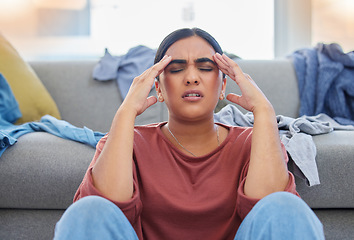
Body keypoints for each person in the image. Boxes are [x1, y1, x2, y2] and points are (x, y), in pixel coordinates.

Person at [54, 28, 325, 240]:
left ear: (223, 86)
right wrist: (125, 113)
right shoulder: (127, 142)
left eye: (206, 68)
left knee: (285, 209)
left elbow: (272, 214)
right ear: (158, 88)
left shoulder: (254, 143)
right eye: (176, 69)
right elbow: (98, 217)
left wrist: (264, 111)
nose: (192, 77)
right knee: (87, 211)